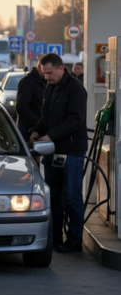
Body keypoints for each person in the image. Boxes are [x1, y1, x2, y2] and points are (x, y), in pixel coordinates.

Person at [29, 53, 88, 254]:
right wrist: (37, 130)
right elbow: (46, 116)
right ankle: (55, 238)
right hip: (52, 151)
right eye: (44, 73)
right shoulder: (51, 87)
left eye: (50, 73)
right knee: (54, 196)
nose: (46, 77)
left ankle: (74, 241)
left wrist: (51, 135)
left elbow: (75, 120)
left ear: (61, 68)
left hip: (71, 151)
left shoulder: (76, 89)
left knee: (72, 196)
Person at [15, 61, 46, 141]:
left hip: (39, 130)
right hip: (27, 131)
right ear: (39, 67)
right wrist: (38, 124)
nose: (48, 74)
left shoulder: (45, 81)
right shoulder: (27, 81)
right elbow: (21, 107)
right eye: (46, 71)